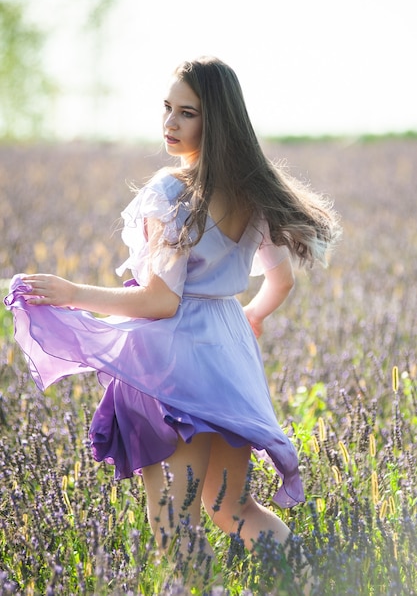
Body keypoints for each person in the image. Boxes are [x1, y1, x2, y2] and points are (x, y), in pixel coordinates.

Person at [5, 56, 340, 592]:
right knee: (231, 505)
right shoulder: (256, 192)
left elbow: (161, 302)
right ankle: (319, 580)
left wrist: (72, 294)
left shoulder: (171, 192)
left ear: (216, 122)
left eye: (187, 113)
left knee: (176, 512)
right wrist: (248, 317)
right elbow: (281, 284)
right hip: (229, 358)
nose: (170, 123)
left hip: (176, 363)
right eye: (167, 108)